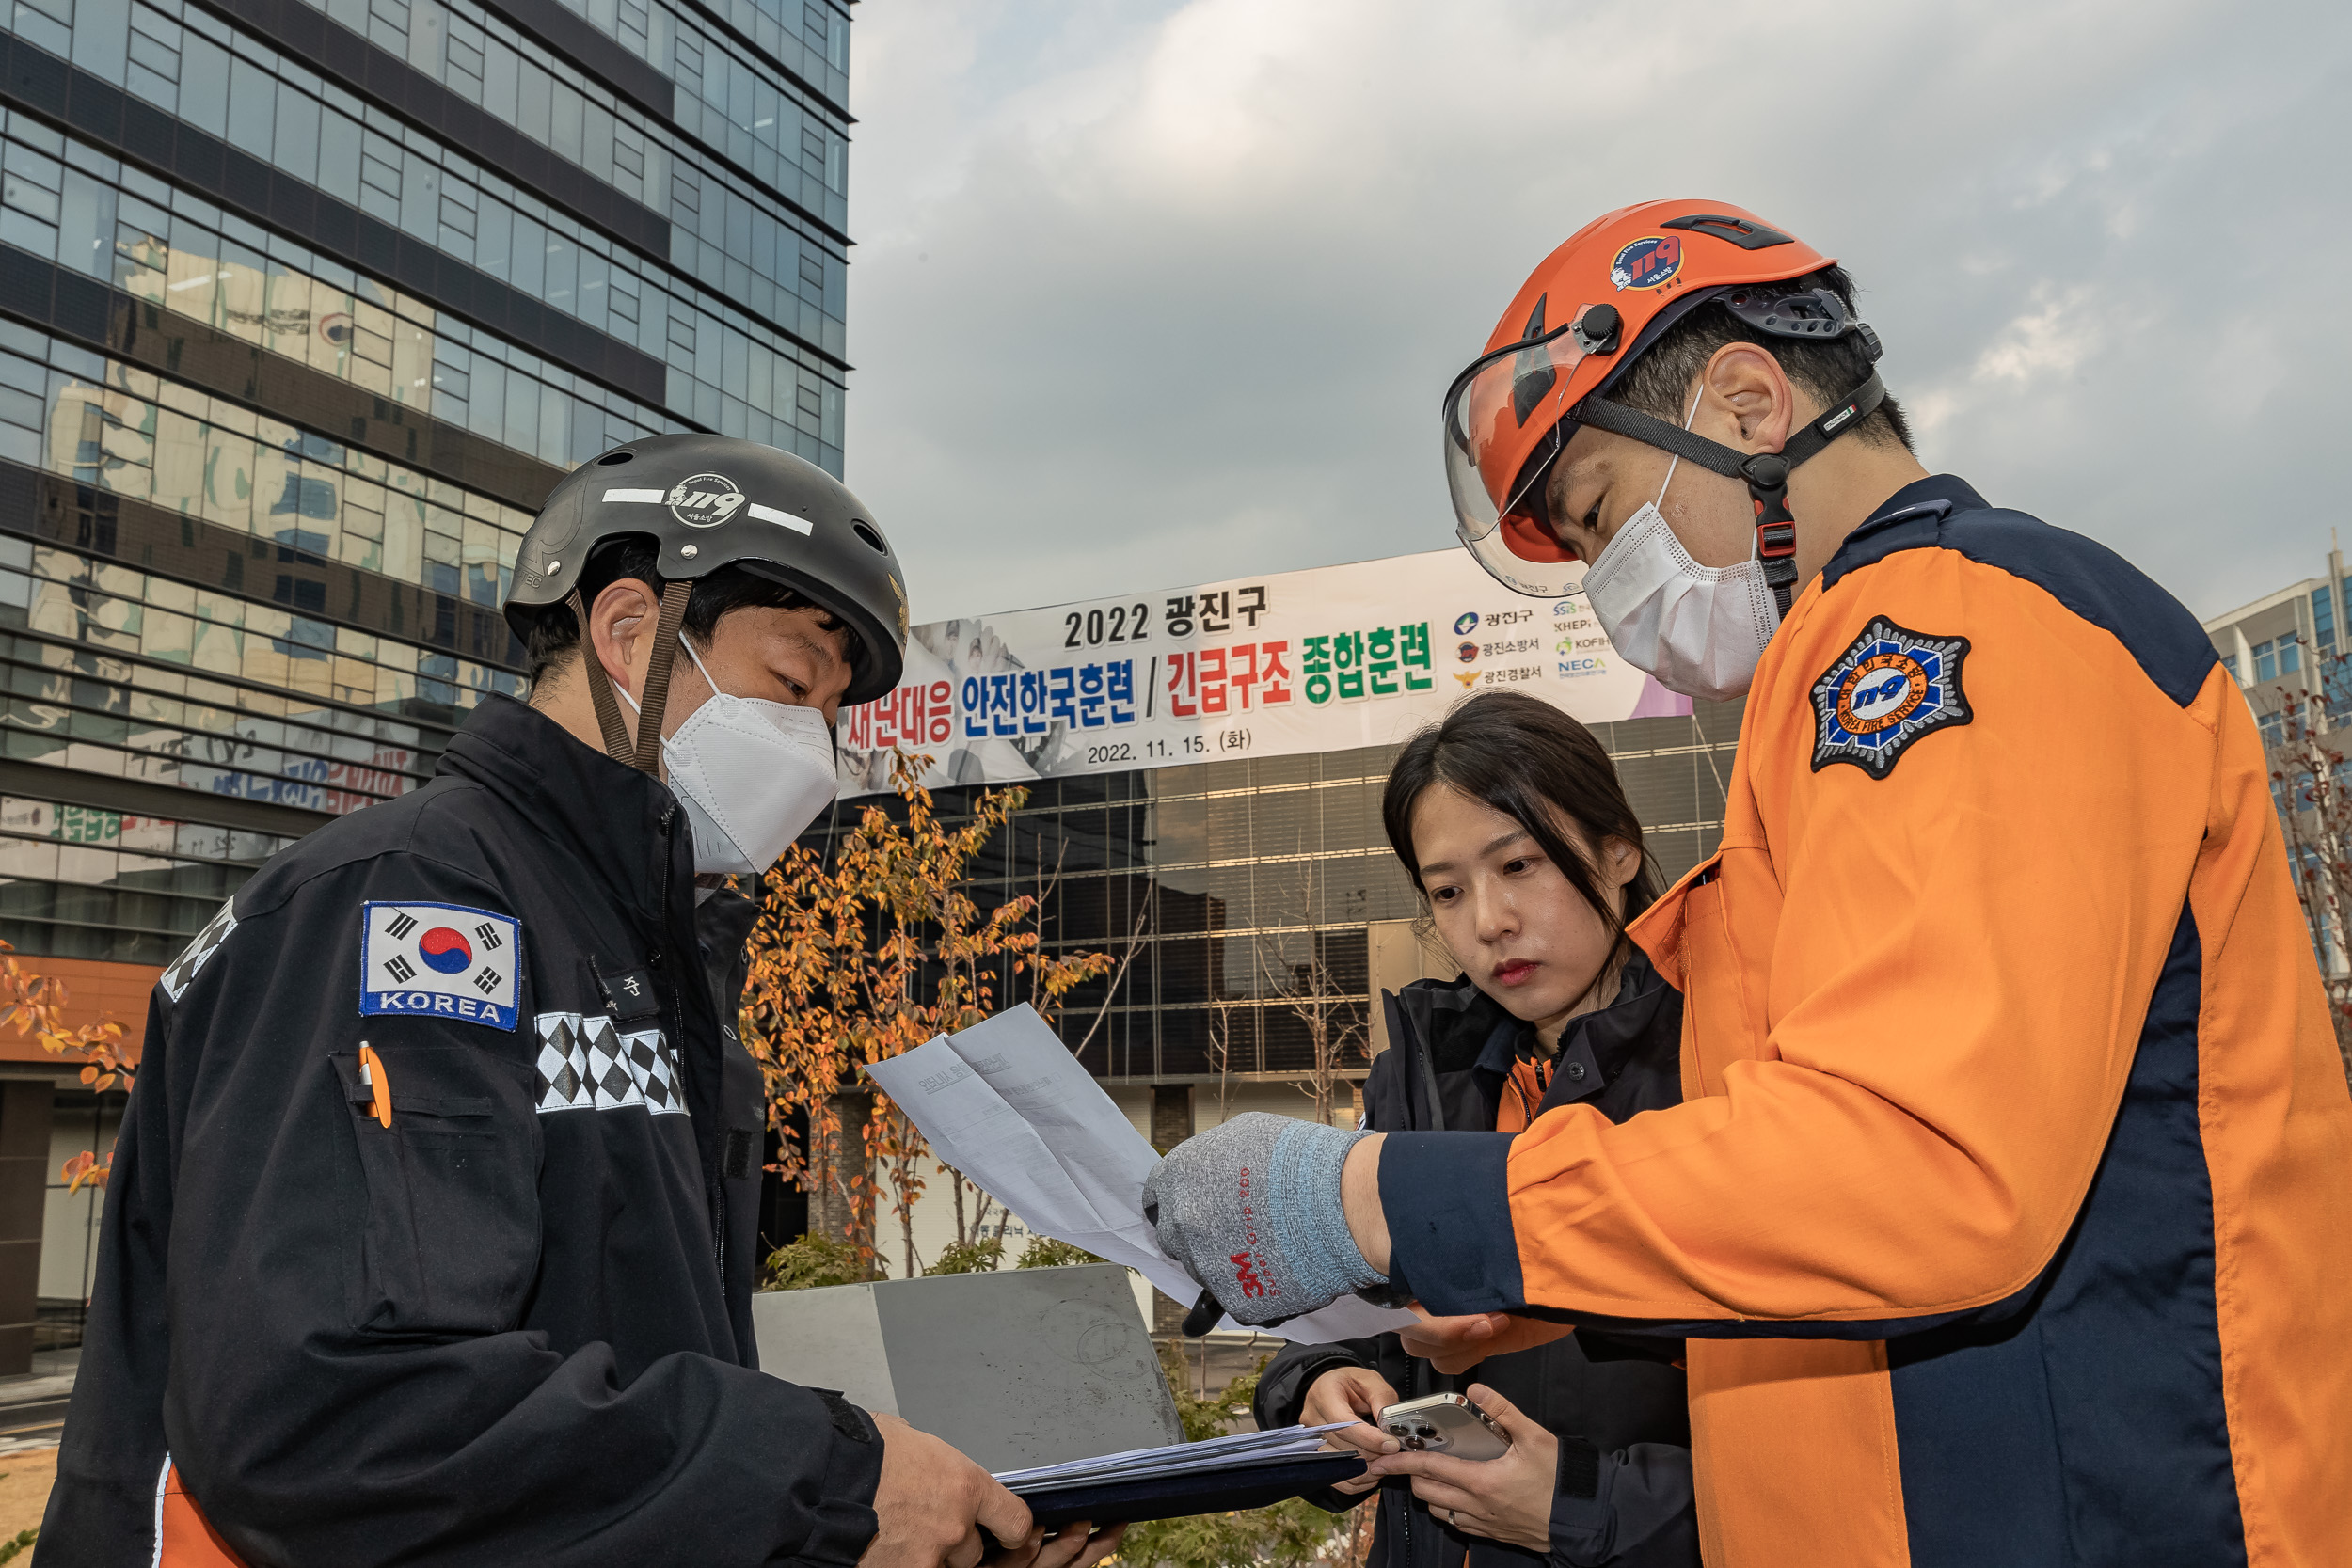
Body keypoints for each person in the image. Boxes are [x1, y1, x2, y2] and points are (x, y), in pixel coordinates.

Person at [1144, 201, 2352, 1566]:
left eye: (1600, 518)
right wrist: (1533, 1298)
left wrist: (1370, 1197)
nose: (1608, 584)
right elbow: (1797, 1184)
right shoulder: (1833, 678)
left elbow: (1918, 1161)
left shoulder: (1952, 624)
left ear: (1747, 399)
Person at [44, 435, 1120, 1568]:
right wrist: (830, 1486)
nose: (816, 747)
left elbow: (624, 1393)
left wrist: (896, 1526)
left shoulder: (654, 963)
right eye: (794, 684)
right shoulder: (415, 906)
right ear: (629, 632)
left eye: (832, 711)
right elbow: (342, 1416)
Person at [1251, 690, 1697, 1568]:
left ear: (1618, 851)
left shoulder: (1722, 1063)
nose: (1487, 922)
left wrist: (1582, 1507)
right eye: (1448, 890)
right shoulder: (1423, 1066)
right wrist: (1314, 1389)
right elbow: (1368, 1324)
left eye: (1520, 865)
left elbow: (1818, 1431)